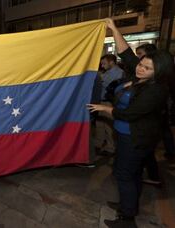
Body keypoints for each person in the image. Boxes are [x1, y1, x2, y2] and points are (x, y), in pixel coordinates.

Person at [87, 18, 173, 228]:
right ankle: (128, 206)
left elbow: (129, 114)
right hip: (127, 136)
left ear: (158, 72)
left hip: (135, 138)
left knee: (123, 174)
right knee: (131, 174)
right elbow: (126, 52)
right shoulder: (143, 75)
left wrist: (106, 108)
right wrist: (114, 28)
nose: (140, 68)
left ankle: (127, 220)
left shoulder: (155, 90)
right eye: (141, 64)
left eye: (146, 68)